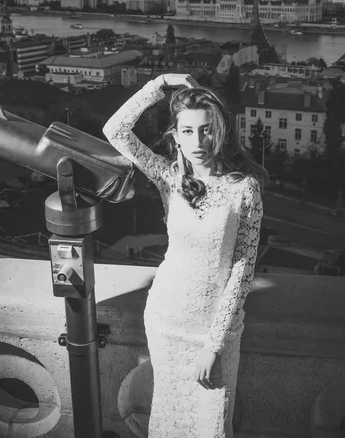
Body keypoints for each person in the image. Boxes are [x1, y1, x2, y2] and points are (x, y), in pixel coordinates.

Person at [102, 73, 266, 438]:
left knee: (211, 426)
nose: (198, 141)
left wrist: (214, 345)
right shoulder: (169, 177)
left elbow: (242, 271)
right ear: (175, 136)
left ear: (221, 131)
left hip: (212, 330)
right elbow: (115, 130)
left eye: (207, 129)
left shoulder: (244, 189)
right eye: (187, 131)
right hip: (165, 317)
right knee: (168, 418)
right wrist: (159, 85)